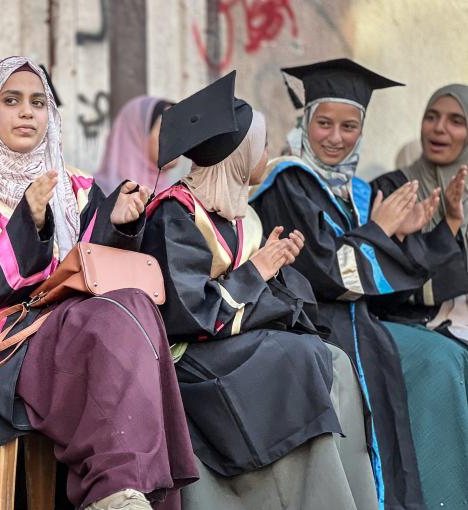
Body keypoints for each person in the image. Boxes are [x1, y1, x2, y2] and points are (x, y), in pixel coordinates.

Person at [0, 55, 198, 510]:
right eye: (12, 101)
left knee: (134, 305)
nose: (27, 113)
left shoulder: (75, 186)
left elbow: (86, 269)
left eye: (38, 102)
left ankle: (126, 490)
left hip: (67, 325)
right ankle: (118, 488)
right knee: (108, 323)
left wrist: (118, 224)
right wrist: (28, 223)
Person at [143, 71, 376, 510]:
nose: (269, 154)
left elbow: (261, 290)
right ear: (239, 155)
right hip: (191, 355)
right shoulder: (175, 214)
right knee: (301, 357)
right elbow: (190, 313)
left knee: (336, 360)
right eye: (263, 146)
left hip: (233, 340)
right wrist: (257, 271)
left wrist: (277, 265)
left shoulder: (239, 214)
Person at [250, 59, 462, 510]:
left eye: (349, 126)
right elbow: (328, 275)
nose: (335, 137)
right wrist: (381, 232)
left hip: (358, 324)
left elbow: (385, 284)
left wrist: (417, 232)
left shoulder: (356, 191)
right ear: (306, 121)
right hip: (313, 323)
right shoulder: (288, 182)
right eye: (324, 123)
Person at [371, 84, 468, 508]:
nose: (439, 129)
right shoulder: (394, 189)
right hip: (409, 321)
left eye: (456, 120)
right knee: (443, 362)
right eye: (432, 117)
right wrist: (446, 226)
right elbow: (388, 284)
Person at [94, 95, 179, 195]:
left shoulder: (173, 194)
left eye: (178, 128)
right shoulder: (95, 197)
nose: (177, 137)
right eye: (166, 129)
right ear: (138, 136)